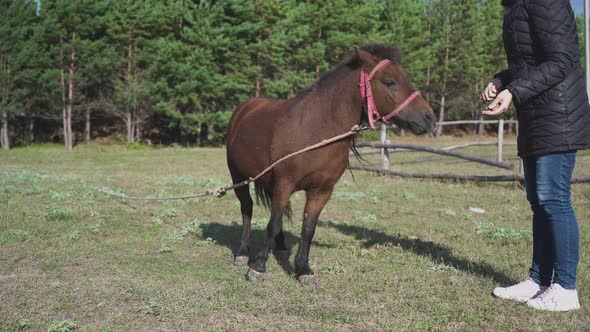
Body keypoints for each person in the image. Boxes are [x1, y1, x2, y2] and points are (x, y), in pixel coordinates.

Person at [481, 0, 590, 312]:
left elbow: (562, 59)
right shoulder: (517, 5)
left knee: (553, 198)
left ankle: (566, 288)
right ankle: (539, 280)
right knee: (538, 199)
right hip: (537, 114)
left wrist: (514, 92)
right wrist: (502, 79)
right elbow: (530, 62)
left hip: (559, 113)